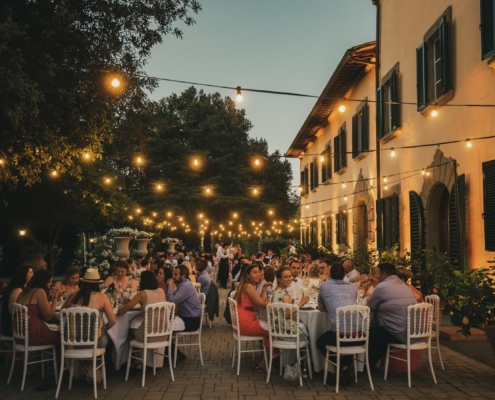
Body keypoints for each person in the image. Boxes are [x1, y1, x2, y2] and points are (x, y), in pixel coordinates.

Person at [62, 268, 116, 382]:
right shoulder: (102, 297)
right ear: (97, 284)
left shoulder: (73, 296)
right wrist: (103, 329)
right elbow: (112, 321)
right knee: (104, 339)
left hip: (72, 342)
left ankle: (76, 372)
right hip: (95, 342)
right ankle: (94, 374)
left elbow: (62, 313)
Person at [367, 262, 419, 366]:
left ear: (384, 275)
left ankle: (362, 364)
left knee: (366, 334)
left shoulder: (382, 286)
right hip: (415, 332)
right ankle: (369, 363)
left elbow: (370, 306)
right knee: (378, 333)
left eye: (377, 273)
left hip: (399, 333)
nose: (376, 275)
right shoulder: (403, 284)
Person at [316, 263, 359, 385]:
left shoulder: (324, 286)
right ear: (344, 275)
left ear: (330, 274)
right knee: (346, 341)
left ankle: (343, 368)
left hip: (339, 335)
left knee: (320, 342)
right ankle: (346, 368)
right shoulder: (352, 287)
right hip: (359, 335)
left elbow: (320, 307)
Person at [117, 270, 167, 372]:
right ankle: (146, 361)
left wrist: (121, 305)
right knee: (137, 323)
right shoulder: (161, 291)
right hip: (163, 334)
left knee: (128, 330)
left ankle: (137, 362)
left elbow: (121, 312)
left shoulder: (142, 294)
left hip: (148, 335)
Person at [235, 264, 272, 371]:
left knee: (268, 330)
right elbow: (261, 304)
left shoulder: (246, 285)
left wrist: (264, 288)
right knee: (273, 331)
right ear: (248, 275)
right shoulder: (248, 286)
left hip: (242, 321)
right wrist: (273, 300)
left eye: (258, 272)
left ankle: (261, 358)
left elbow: (258, 302)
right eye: (254, 272)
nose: (258, 274)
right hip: (247, 323)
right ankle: (265, 362)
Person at [14, 269, 63, 347]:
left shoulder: (23, 292)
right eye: (49, 282)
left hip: (19, 335)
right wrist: (55, 297)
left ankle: (50, 357)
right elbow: (49, 316)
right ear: (43, 281)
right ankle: (62, 359)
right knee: (65, 335)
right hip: (34, 334)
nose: (50, 284)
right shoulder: (39, 291)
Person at [167, 265, 202, 332]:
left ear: (183, 276)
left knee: (164, 326)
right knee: (164, 323)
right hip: (187, 317)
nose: (173, 277)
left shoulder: (186, 286)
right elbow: (173, 297)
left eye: (176, 274)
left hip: (191, 321)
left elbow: (171, 301)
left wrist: (170, 286)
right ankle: (170, 342)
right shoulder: (183, 284)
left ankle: (170, 342)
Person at [1, 265, 33, 337]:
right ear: (23, 274)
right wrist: (29, 318)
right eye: (30, 273)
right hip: (11, 326)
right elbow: (12, 309)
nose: (33, 274)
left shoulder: (24, 288)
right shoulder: (17, 290)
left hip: (17, 323)